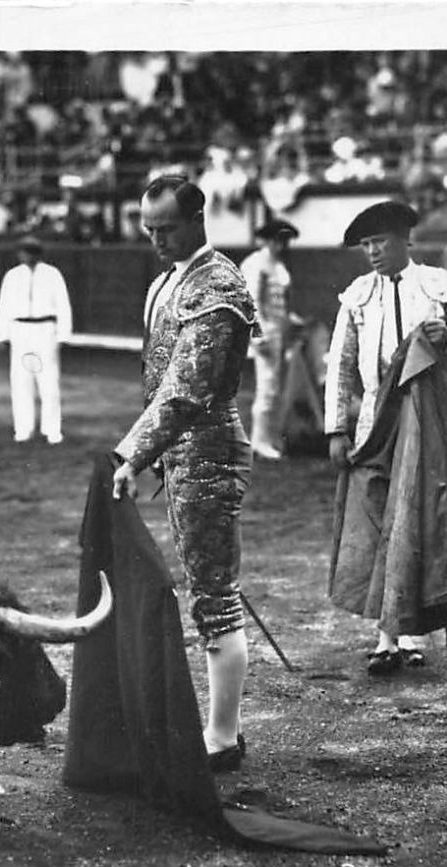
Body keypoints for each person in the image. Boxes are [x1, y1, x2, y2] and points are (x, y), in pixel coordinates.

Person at [110, 174, 261, 774]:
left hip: (209, 450)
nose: (157, 241)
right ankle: (219, 728)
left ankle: (223, 735)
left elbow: (185, 392)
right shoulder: (168, 283)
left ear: (199, 218)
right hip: (179, 449)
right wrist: (145, 454)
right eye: (149, 230)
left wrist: (131, 454)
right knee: (207, 587)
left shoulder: (218, 285)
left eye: (167, 228)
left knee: (214, 595)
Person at [324, 200, 447, 675]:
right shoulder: (356, 295)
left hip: (427, 416)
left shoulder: (439, 286)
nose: (373, 252)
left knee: (418, 517)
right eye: (367, 245)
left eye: (381, 242)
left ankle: (398, 636)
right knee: (376, 518)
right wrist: (336, 427)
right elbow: (340, 367)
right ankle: (389, 630)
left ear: (405, 241)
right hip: (375, 420)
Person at [0, 235, 73, 444]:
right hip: (20, 330)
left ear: (38, 254)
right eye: (24, 251)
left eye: (31, 251)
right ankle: (23, 428)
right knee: (21, 380)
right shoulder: (12, 276)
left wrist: (63, 334)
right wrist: (1, 333)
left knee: (49, 381)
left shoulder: (52, 274)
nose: (27, 255)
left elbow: (63, 304)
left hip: (45, 329)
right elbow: (4, 305)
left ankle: (52, 429)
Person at [237, 218, 301, 460]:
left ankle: (271, 437)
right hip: (266, 332)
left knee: (276, 387)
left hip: (279, 329)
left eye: (285, 241)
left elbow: (279, 302)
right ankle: (259, 441)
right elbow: (251, 303)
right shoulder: (257, 264)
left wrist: (291, 320)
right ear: (267, 240)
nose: (282, 245)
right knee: (268, 387)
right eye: (278, 240)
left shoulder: (276, 263)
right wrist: (257, 335)